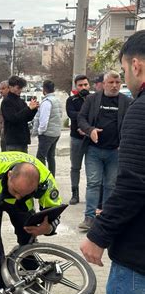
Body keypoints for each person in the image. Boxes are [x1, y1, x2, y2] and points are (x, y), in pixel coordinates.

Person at [80, 30, 145, 294]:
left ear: (136, 65)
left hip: (137, 256)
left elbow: (134, 184)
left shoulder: (139, 110)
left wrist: (99, 233)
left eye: (122, 70)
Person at [0, 151, 62, 287]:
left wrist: (48, 228)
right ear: (9, 176)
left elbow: (55, 211)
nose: (18, 197)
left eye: (24, 193)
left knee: (27, 234)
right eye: (16, 191)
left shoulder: (46, 181)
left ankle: (30, 273)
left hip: (21, 205)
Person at [77, 71, 132, 231]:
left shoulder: (127, 102)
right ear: (104, 83)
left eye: (117, 82)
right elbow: (81, 119)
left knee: (111, 185)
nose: (115, 86)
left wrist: (125, 142)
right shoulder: (92, 99)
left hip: (115, 151)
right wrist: (90, 130)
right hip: (94, 150)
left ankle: (107, 217)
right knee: (93, 183)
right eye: (111, 82)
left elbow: (131, 124)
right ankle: (89, 218)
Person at [66, 75, 90, 204]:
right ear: (76, 87)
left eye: (85, 84)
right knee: (75, 167)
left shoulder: (93, 99)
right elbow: (71, 114)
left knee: (92, 168)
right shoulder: (71, 100)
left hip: (91, 139)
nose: (83, 87)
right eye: (80, 85)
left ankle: (91, 194)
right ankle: (75, 193)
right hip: (76, 138)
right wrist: (86, 115)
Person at [0, 76, 39, 153]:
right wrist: (28, 108)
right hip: (13, 140)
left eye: (21, 88)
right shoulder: (6, 102)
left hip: (23, 139)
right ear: (10, 87)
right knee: (15, 164)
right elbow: (13, 118)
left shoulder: (21, 101)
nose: (20, 90)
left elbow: (27, 118)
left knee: (23, 164)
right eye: (18, 88)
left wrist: (34, 109)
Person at [32, 80, 62, 176]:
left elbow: (44, 120)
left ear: (44, 90)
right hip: (56, 133)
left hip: (47, 134)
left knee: (40, 157)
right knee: (51, 157)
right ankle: (51, 177)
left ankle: (43, 177)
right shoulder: (57, 100)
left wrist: (40, 132)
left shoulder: (47, 102)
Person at [0, 80, 9, 152]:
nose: (0, 91)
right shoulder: (4, 101)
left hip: (8, 135)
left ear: (9, 88)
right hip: (3, 134)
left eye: (3, 88)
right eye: (0, 89)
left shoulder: (9, 101)